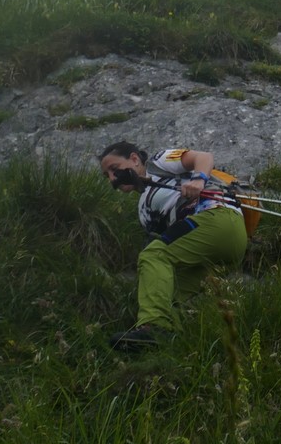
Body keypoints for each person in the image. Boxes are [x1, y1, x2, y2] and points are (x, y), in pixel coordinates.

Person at [98, 142, 249, 352]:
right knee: (166, 292)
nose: (112, 179)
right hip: (219, 249)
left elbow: (204, 156)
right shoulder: (143, 210)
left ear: (134, 159)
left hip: (218, 218)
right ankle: (168, 345)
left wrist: (198, 179)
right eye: (107, 176)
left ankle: (154, 326)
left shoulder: (158, 163)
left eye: (114, 169)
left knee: (153, 255)